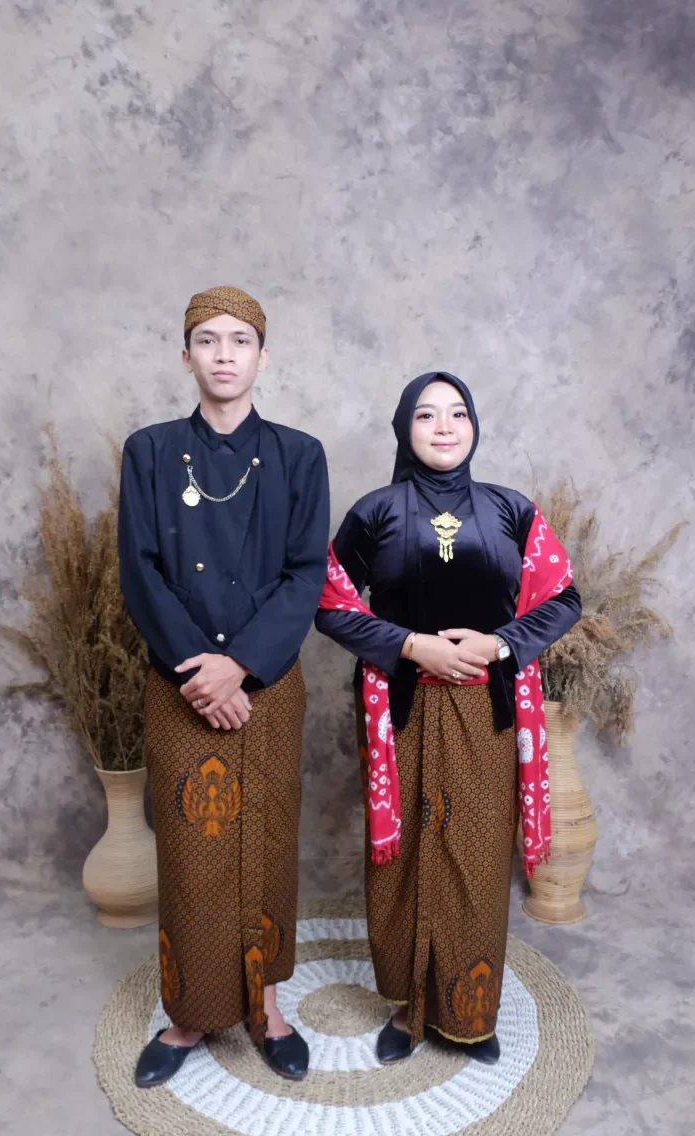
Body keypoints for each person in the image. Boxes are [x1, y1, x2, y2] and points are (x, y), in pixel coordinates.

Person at [316, 372, 581, 1064]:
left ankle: (469, 1011)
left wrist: (500, 644)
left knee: (476, 855)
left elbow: (562, 597)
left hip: (486, 710)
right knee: (405, 856)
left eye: (457, 413)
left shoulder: (511, 510)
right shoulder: (375, 511)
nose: (442, 426)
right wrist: (410, 645)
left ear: (473, 426)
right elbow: (329, 601)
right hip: (399, 706)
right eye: (426, 415)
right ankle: (409, 1008)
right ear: (404, 428)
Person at [118, 286, 329, 1086]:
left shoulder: (299, 455)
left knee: (266, 844)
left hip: (265, 682)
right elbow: (139, 572)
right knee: (189, 849)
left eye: (240, 340)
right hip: (179, 683)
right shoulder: (148, 451)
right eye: (207, 340)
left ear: (262, 357)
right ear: (186, 357)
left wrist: (238, 664)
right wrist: (199, 671)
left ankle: (266, 1006)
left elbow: (304, 574)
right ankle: (188, 1013)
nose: (224, 354)